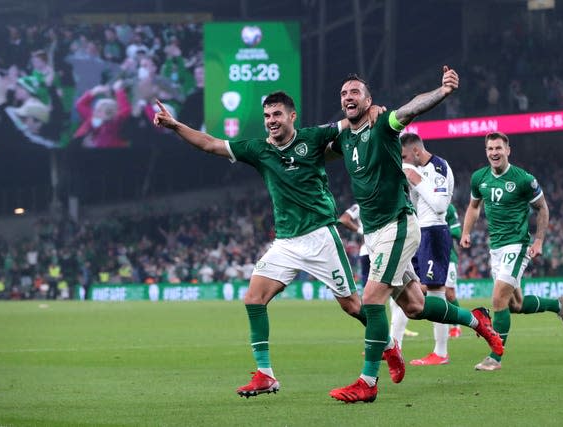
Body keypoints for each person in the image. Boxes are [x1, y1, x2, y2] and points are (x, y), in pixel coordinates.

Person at [154, 91, 381, 398]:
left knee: (352, 306)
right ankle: (265, 374)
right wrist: (175, 125)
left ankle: (388, 344)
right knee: (253, 299)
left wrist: (374, 110)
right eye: (267, 116)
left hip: (320, 237)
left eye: (277, 115)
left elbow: (351, 121)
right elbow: (210, 144)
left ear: (292, 116)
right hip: (286, 242)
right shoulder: (258, 149)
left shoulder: (313, 138)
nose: (271, 121)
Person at [327, 67, 504, 403]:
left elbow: (410, 109)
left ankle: (368, 380)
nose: (348, 97)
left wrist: (442, 91)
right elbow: (314, 146)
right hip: (375, 233)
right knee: (415, 306)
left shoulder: (382, 124)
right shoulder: (343, 137)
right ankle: (477, 320)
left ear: (369, 101)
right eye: (344, 94)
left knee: (372, 301)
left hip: (398, 225)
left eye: (355, 92)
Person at [460, 131, 563, 371]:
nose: (494, 153)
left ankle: (495, 356)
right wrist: (466, 232)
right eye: (490, 149)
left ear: (508, 150)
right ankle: (558, 305)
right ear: (486, 152)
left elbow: (542, 208)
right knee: (515, 305)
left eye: (498, 148)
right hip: (496, 249)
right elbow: (473, 206)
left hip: (517, 245)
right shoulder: (479, 178)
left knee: (498, 298)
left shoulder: (523, 179)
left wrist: (539, 241)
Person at [399, 133, 455, 366]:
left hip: (434, 233)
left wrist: (415, 178)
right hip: (421, 234)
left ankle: (441, 352)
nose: (403, 161)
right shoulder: (420, 171)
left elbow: (441, 206)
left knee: (435, 292)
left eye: (404, 156)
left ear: (416, 152)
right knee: (407, 288)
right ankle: (394, 342)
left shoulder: (438, 167)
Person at [339, 204, 419, 339]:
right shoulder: (362, 205)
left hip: (372, 250)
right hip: (376, 250)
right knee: (379, 295)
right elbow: (343, 220)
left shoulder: (363, 204)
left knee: (379, 295)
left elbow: (344, 219)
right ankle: (385, 336)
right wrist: (361, 231)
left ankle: (390, 331)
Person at [445, 203, 463, 338]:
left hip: (448, 257)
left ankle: (457, 325)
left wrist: (439, 231)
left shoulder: (448, 207)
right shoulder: (420, 204)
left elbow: (457, 232)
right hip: (428, 256)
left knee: (449, 294)